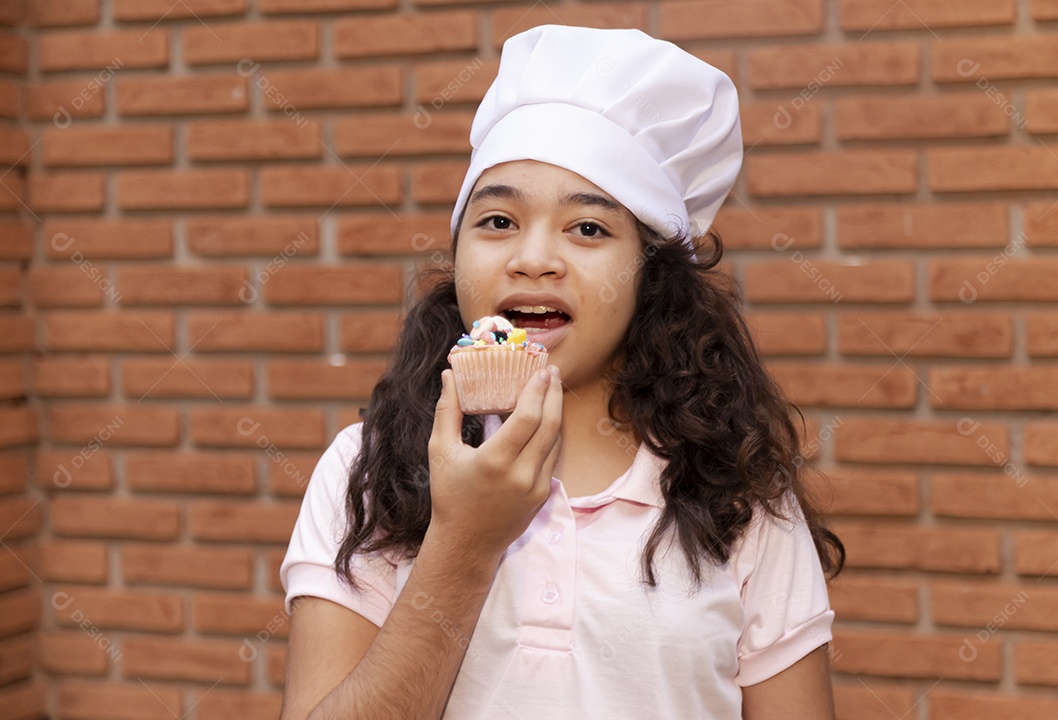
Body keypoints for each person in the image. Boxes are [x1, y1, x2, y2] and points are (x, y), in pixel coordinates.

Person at [279, 24, 844, 720]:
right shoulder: (362, 473)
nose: (534, 258)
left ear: (651, 275)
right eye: (496, 221)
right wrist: (465, 540)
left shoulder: (740, 493)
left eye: (588, 229)